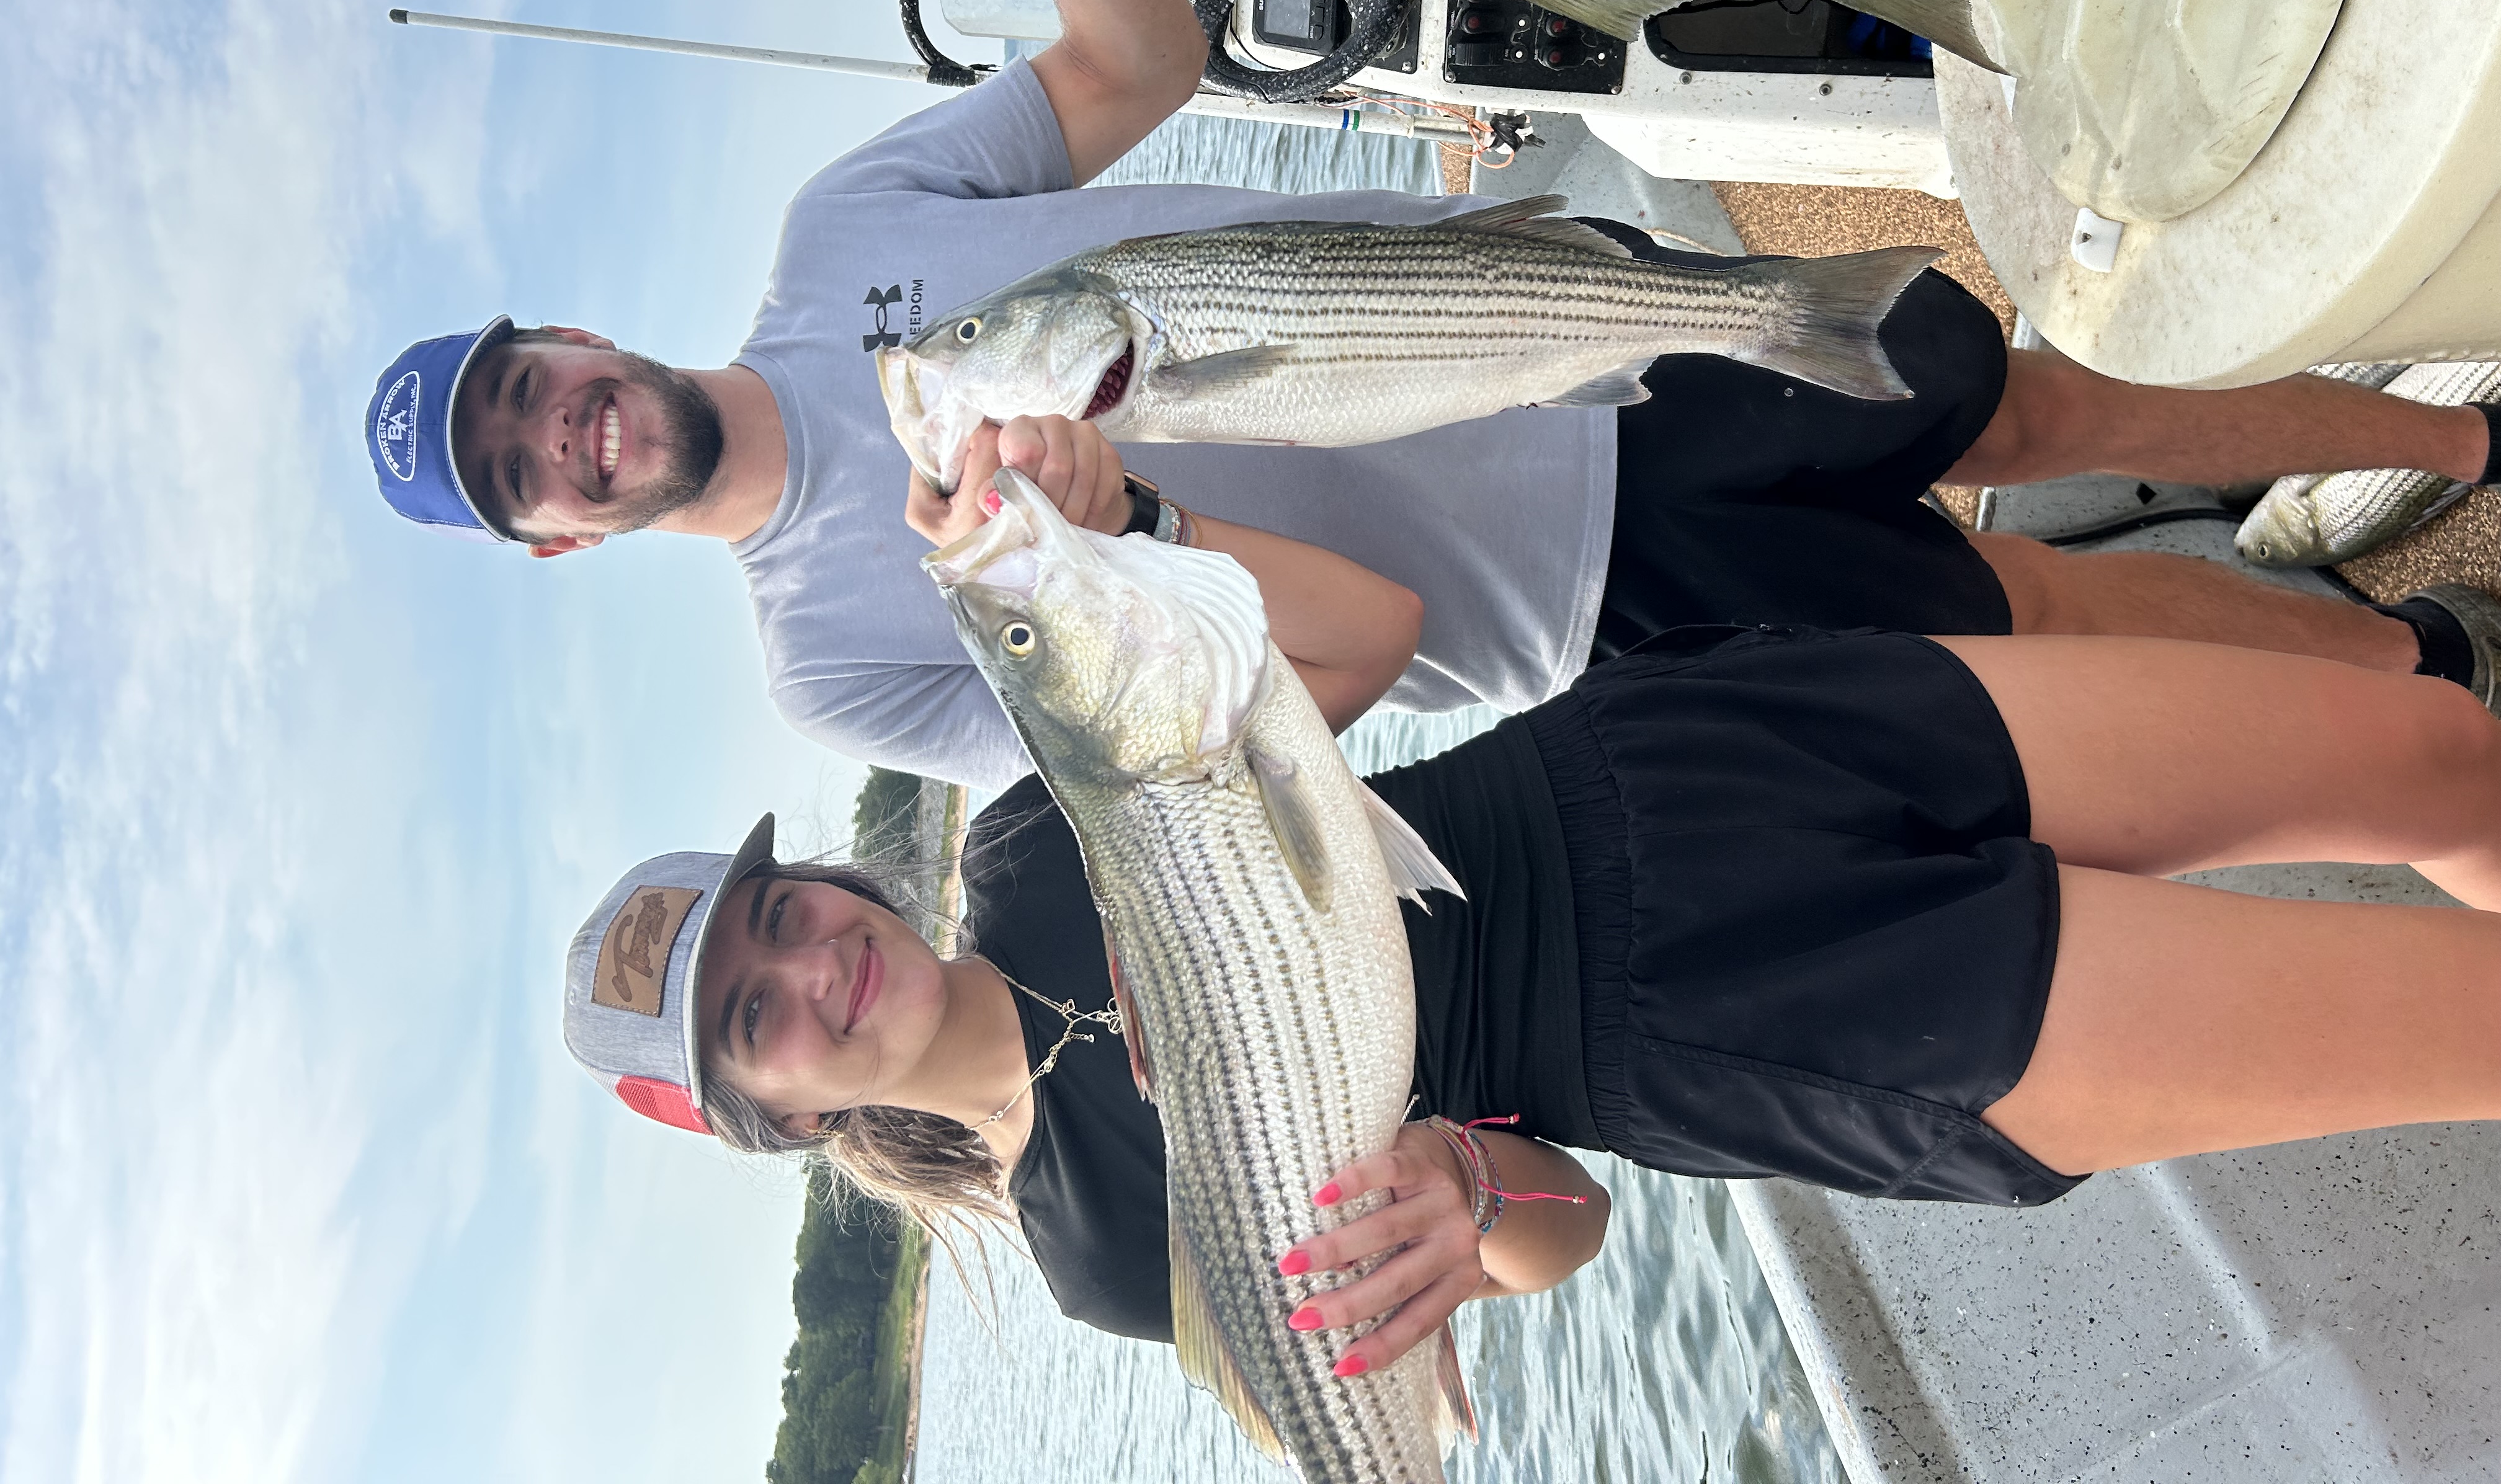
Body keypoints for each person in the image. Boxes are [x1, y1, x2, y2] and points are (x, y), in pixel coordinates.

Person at [373, 0, 2501, 786]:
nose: (559, 430)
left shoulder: (839, 225)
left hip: (1553, 309)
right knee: (2023, 615)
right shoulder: (834, 669)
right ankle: (2431, 679)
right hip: (1562, 601)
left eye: (522, 384)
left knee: (2035, 399)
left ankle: (2472, 453)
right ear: (557, 541)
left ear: (564, 334)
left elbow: (1135, 57)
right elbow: (1212, 738)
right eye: (517, 471)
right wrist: (1113, 544)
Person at [560, 496, 2501, 1376]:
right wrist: (1454, 1187)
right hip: (1748, 1024)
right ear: (784, 1119)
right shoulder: (1094, 1249)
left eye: (776, 911)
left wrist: (1132, 533)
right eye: (759, 1017)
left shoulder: (1033, 833)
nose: (812, 962)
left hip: (1675, 755)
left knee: (2431, 752)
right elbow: (1564, 1234)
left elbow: (1371, 632)